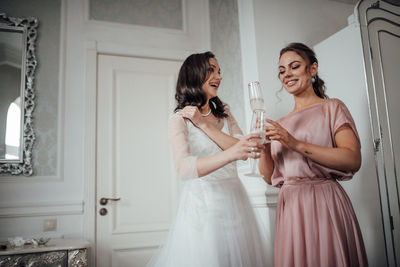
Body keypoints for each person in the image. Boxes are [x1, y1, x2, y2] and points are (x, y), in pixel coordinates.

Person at [147, 51, 268, 267]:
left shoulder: (224, 112)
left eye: (219, 71)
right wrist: (233, 152)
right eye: (211, 70)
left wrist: (204, 125)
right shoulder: (179, 120)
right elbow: (184, 169)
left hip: (237, 203)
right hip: (204, 209)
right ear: (194, 75)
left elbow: (243, 147)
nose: (218, 76)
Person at [259, 42, 368, 267]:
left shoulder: (332, 108)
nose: (286, 74)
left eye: (294, 66)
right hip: (290, 207)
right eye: (281, 70)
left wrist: (294, 143)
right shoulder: (279, 124)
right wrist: (262, 148)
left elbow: (352, 159)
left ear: (313, 69)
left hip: (324, 202)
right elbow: (269, 177)